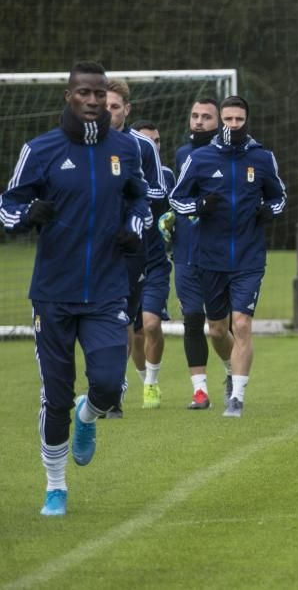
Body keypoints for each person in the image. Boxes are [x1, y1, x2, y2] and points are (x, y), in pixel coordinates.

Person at [1, 61, 148, 516]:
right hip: (53, 294)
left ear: (108, 98)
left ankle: (91, 415)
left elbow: (140, 197)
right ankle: (56, 486)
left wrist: (133, 227)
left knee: (110, 386)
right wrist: (28, 216)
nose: (91, 100)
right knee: (56, 395)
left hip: (106, 288)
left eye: (98, 93)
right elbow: (8, 205)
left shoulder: (126, 148)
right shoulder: (40, 149)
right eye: (83, 92)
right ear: (69, 96)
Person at [169, 95, 286, 417]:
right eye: (229, 120)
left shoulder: (262, 158)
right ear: (221, 120)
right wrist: (199, 207)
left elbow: (280, 198)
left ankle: (236, 397)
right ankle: (230, 371)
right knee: (218, 329)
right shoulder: (201, 159)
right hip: (210, 257)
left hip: (249, 258)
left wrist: (269, 211)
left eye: (239, 120)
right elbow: (177, 199)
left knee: (243, 323)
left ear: (247, 120)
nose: (234, 125)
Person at [159, 99, 235, 410]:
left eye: (206, 116)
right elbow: (180, 197)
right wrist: (172, 216)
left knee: (219, 328)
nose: (199, 121)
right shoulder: (182, 154)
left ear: (219, 122)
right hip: (186, 251)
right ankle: (199, 391)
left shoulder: (230, 155)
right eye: (194, 116)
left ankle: (233, 371)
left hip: (218, 253)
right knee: (191, 317)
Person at [105, 79, 168, 416]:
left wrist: (129, 197)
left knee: (137, 322)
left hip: (136, 248)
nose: (109, 112)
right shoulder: (85, 145)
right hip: (98, 249)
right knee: (110, 322)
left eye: (115, 107)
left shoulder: (141, 146)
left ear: (126, 110)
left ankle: (134, 385)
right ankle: (111, 390)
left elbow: (157, 193)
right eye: (104, 106)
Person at [129, 119, 173, 410]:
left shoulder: (168, 176)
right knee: (133, 332)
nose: (152, 147)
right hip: (125, 262)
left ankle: (151, 383)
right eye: (147, 142)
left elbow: (178, 209)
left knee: (151, 324)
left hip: (156, 261)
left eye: (156, 141)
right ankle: (142, 377)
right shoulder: (116, 173)